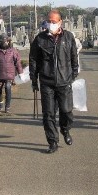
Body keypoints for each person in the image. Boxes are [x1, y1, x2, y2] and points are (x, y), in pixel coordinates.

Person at [29, 9, 79, 153]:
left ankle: (65, 130)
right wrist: (34, 79)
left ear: (60, 22)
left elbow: (73, 57)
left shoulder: (68, 37)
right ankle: (52, 142)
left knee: (66, 111)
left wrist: (73, 74)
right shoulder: (40, 39)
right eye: (49, 21)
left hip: (64, 81)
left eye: (54, 22)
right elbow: (33, 60)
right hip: (46, 82)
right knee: (49, 114)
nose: (51, 24)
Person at [0, 33, 23, 113]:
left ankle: (7, 107)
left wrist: (20, 72)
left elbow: (17, 62)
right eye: (2, 42)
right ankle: (0, 102)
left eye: (6, 41)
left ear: (8, 41)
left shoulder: (13, 51)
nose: (5, 43)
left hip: (9, 74)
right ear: (0, 42)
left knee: (8, 87)